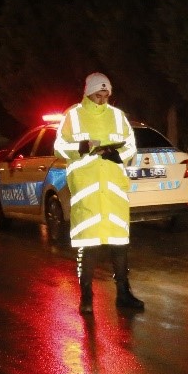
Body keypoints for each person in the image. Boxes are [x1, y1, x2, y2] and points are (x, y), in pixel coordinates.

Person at [54, 72, 145, 314]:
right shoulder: (73, 116)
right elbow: (59, 146)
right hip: (87, 191)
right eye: (98, 94)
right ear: (87, 93)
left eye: (106, 94)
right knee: (89, 245)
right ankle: (86, 297)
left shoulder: (117, 117)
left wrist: (118, 155)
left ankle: (124, 293)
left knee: (120, 244)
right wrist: (81, 148)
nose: (102, 98)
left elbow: (130, 146)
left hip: (114, 191)